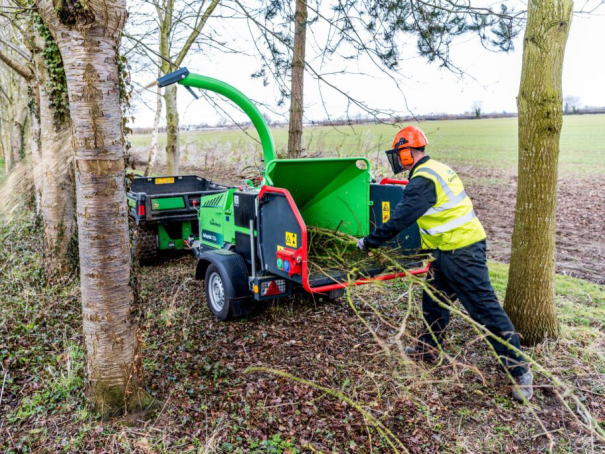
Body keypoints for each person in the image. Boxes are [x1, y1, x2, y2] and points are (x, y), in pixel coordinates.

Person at [357, 126, 533, 403]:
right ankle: (429, 347)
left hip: (462, 252)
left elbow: (401, 218)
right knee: (434, 299)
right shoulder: (435, 169)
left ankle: (519, 371)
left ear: (405, 153)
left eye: (399, 154)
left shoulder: (423, 180)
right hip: (445, 251)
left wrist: (369, 242)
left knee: (484, 310)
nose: (397, 159)